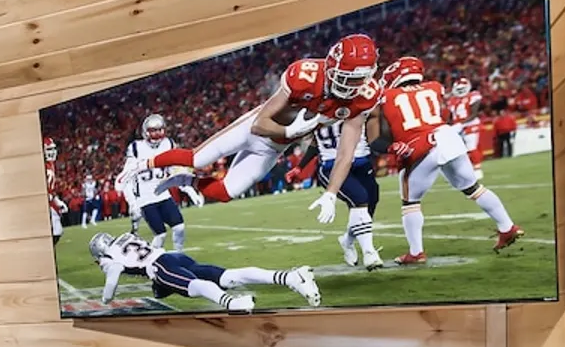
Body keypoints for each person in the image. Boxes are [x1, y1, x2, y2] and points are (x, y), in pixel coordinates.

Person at [140, 34, 383, 246]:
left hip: (272, 148)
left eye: (360, 79)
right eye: (349, 78)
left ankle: (187, 181)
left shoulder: (364, 97)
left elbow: (345, 154)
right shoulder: (305, 76)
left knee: (225, 193)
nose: (355, 85)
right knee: (197, 158)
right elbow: (259, 124)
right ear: (331, 68)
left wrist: (330, 193)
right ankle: (142, 164)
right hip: (252, 130)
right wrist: (289, 132)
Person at [369, 56, 522, 263]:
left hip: (420, 144)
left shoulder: (385, 96)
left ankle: (416, 252)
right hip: (447, 136)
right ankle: (507, 226)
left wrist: (392, 145)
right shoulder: (434, 87)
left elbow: (384, 133)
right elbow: (443, 114)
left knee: (410, 202)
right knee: (474, 188)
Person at [89, 231, 321, 313]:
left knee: (194, 286)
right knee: (228, 276)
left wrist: (106, 300)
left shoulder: (109, 256)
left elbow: (113, 278)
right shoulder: (126, 237)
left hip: (160, 266)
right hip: (174, 257)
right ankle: (291, 277)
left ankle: (232, 303)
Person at [288, 117, 384, 269]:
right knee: (359, 199)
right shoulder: (318, 112)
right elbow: (316, 141)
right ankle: (369, 252)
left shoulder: (355, 106)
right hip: (331, 166)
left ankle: (347, 240)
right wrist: (300, 167)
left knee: (371, 200)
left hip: (361, 162)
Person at [117, 114, 188, 251]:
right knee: (160, 235)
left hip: (163, 194)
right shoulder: (136, 147)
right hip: (145, 199)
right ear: (145, 132)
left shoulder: (168, 144)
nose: (157, 134)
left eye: (159, 130)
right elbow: (126, 177)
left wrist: (188, 188)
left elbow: (175, 169)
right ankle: (152, 260)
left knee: (179, 227)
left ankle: (179, 255)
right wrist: (132, 202)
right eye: (153, 130)